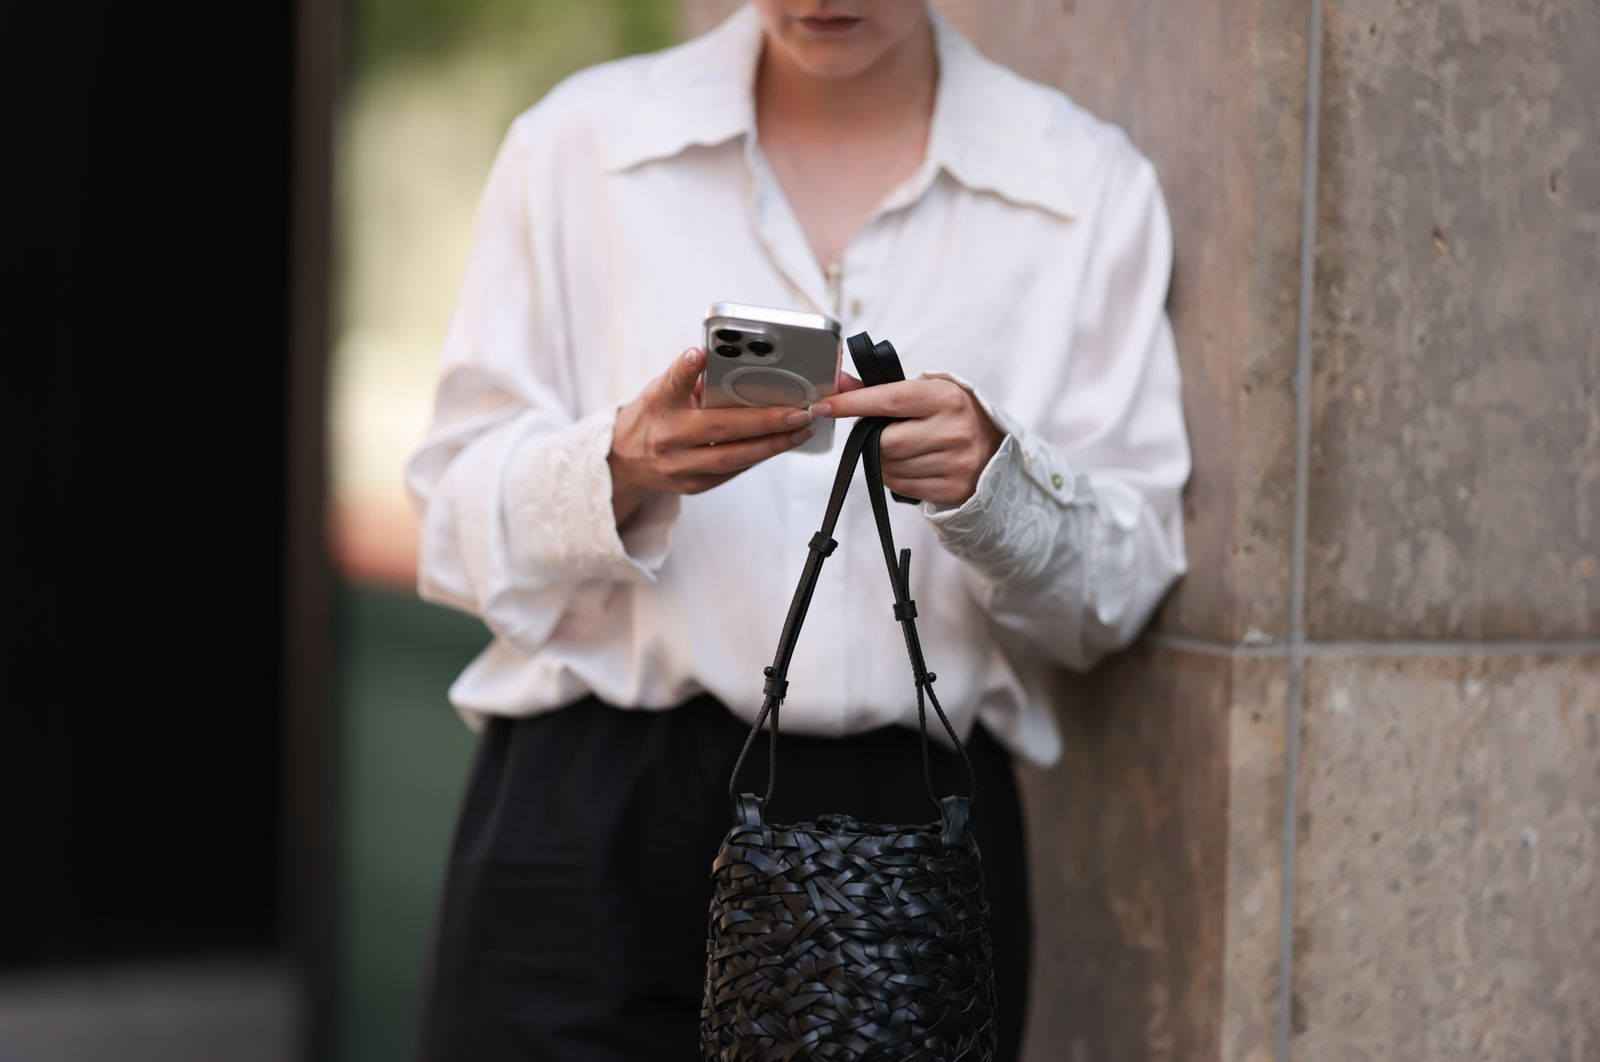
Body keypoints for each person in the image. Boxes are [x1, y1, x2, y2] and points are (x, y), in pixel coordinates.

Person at [404, 2, 1190, 1058]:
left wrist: (997, 487)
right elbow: (450, 524)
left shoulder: (1079, 188)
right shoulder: (579, 147)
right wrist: (621, 462)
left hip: (903, 835)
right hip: (588, 815)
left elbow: (1122, 591)